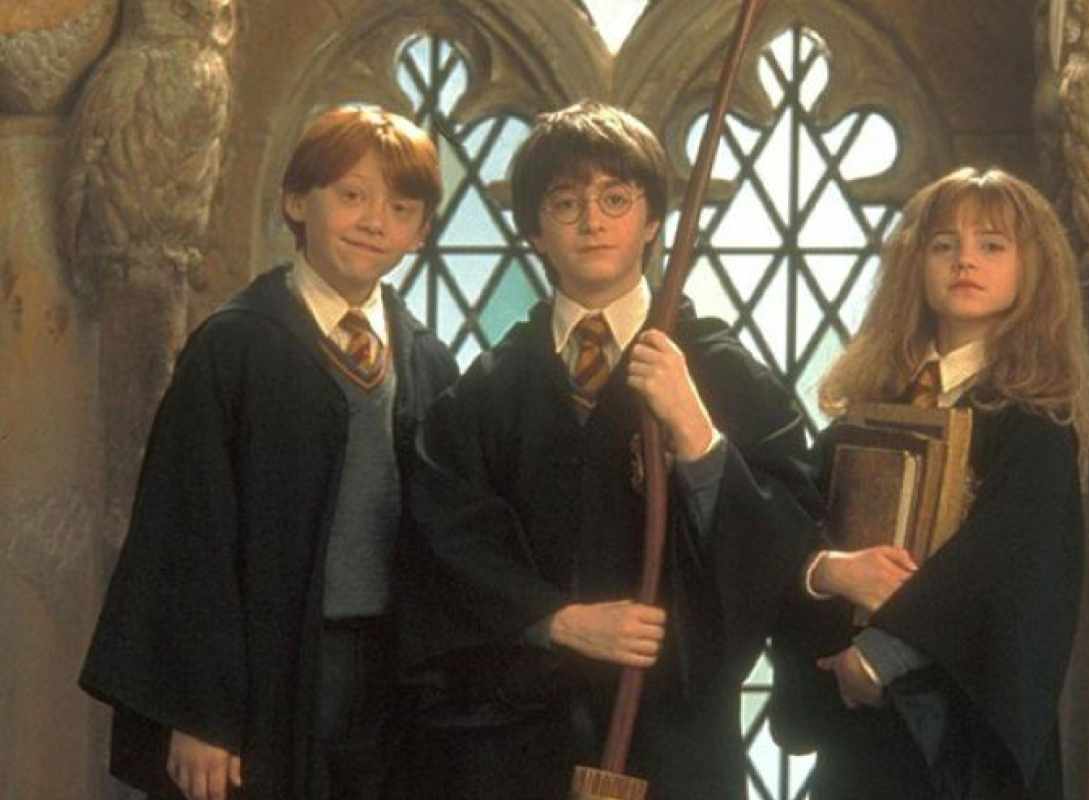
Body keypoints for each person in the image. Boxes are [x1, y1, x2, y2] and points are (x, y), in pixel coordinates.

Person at [397, 99, 823, 799]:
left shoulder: (717, 369)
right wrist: (555, 620)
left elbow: (790, 541)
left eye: (615, 199)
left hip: (676, 732)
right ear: (535, 231)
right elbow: (445, 539)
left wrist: (697, 436)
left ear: (653, 221)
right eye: (565, 203)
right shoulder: (487, 391)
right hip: (520, 744)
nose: (591, 220)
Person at [79, 105, 458, 800]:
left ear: (421, 232)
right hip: (263, 672)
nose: (375, 221)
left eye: (401, 208)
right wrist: (198, 713)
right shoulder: (234, 348)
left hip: (389, 677)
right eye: (351, 195)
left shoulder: (427, 361)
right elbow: (186, 538)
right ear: (296, 201)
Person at [770, 166, 1089, 799]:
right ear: (914, 265)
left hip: (956, 745)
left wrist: (881, 656)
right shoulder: (864, 414)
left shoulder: (1033, 428)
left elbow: (1006, 568)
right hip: (853, 731)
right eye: (944, 244)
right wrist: (828, 573)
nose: (964, 260)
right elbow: (795, 525)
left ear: (1032, 270)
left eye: (992, 245)